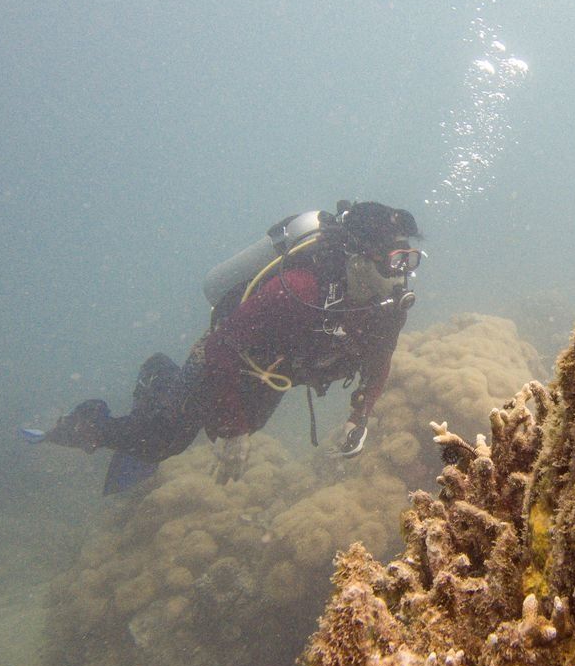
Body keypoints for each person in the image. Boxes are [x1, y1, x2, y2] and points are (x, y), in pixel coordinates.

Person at [34, 200, 423, 493]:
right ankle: (89, 421)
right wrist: (234, 430)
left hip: (273, 372)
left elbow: (380, 359)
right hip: (224, 357)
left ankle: (173, 397)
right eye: (395, 261)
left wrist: (360, 416)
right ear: (358, 260)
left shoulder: (388, 306)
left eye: (410, 260)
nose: (402, 274)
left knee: (233, 428)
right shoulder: (299, 290)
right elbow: (221, 346)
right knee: (163, 439)